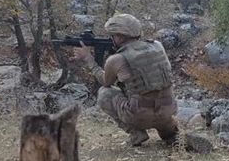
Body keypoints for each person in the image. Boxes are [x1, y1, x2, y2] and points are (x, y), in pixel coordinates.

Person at [72, 14, 178, 146]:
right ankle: (171, 134)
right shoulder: (157, 46)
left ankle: (136, 133)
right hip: (168, 110)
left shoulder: (117, 59)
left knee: (104, 92)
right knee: (169, 134)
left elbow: (105, 82)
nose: (111, 38)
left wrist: (88, 58)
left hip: (140, 115)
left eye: (113, 35)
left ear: (120, 37)